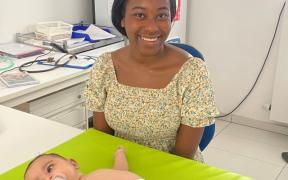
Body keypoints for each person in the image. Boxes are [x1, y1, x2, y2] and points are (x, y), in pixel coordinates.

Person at [84, 0, 218, 162]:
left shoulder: (192, 72)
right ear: (122, 19)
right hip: (120, 163)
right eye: (140, 15)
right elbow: (103, 138)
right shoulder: (105, 67)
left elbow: (182, 159)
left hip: (172, 167)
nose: (152, 27)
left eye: (161, 15)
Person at [24, 147, 143, 180]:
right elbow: (121, 172)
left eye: (50, 168)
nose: (48, 178)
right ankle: (119, 153)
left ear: (73, 164)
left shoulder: (94, 177)